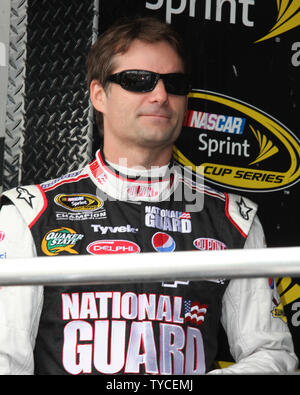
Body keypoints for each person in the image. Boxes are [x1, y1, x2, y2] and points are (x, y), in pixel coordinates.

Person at [0, 17, 298, 375]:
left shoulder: (234, 218)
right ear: (99, 95)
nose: (159, 95)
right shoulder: (27, 214)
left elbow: (274, 356)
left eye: (174, 83)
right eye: (138, 81)